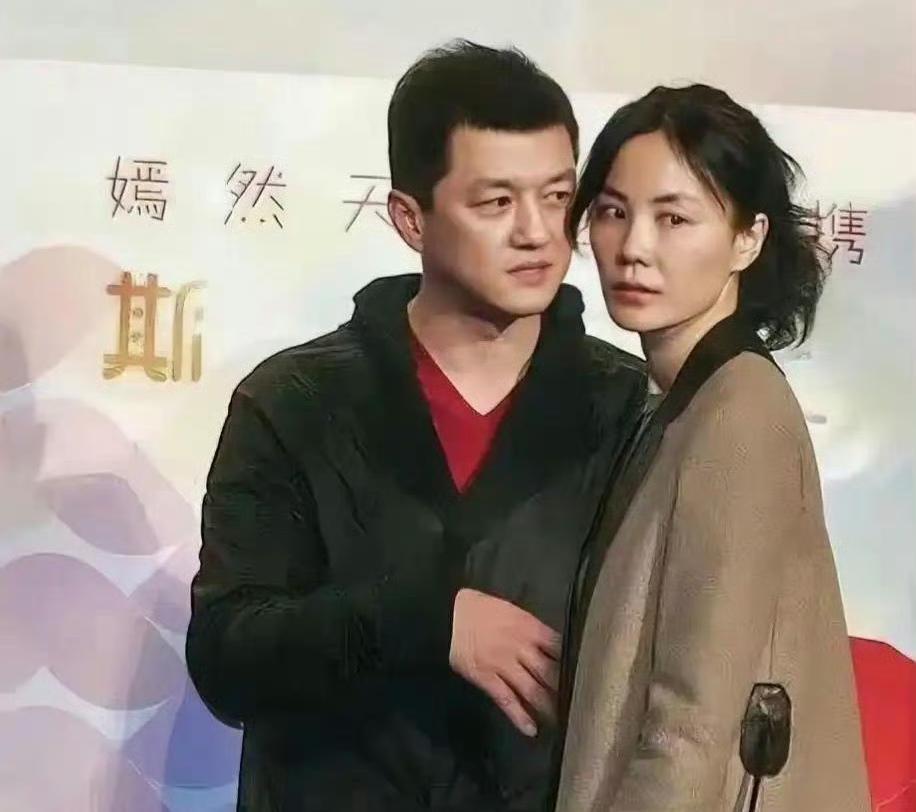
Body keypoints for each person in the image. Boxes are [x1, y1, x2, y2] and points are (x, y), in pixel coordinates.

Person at [186, 40, 645, 812]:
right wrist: (427, 622)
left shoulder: (631, 410)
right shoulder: (294, 403)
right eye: (495, 204)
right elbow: (226, 659)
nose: (538, 233)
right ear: (409, 218)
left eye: (558, 197)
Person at [553, 84, 870, 812]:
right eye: (613, 212)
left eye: (674, 218)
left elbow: (689, 727)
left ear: (748, 238)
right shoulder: (681, 402)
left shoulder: (738, 413)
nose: (634, 247)